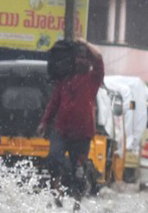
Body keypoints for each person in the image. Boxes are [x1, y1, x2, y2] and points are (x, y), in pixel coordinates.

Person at [37, 38, 104, 198]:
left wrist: (86, 43)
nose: (80, 60)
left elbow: (99, 57)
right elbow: (54, 103)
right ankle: (56, 190)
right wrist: (45, 122)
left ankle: (77, 202)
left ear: (88, 60)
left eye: (84, 57)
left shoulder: (93, 79)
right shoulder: (65, 79)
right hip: (61, 130)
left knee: (78, 172)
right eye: (78, 57)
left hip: (82, 134)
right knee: (53, 159)